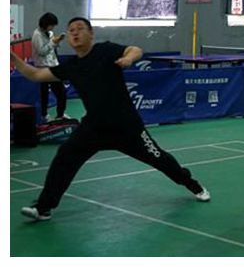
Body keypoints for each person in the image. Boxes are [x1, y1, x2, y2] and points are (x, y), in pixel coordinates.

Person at [11, 17, 210, 222]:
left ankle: (193, 185)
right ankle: (43, 208)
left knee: (160, 158)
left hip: (127, 127)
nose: (75, 32)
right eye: (71, 30)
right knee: (64, 157)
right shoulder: (71, 66)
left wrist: (128, 59)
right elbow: (35, 75)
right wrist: (11, 56)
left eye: (80, 28)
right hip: (94, 128)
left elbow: (135, 50)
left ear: (91, 34)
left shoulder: (105, 50)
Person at [31, 12, 67, 122]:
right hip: (42, 68)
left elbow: (52, 49)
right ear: (45, 24)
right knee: (44, 94)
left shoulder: (50, 33)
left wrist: (57, 41)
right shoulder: (37, 35)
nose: (52, 27)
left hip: (54, 66)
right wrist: (53, 42)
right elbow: (41, 52)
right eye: (51, 25)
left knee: (61, 93)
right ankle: (44, 116)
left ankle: (60, 115)